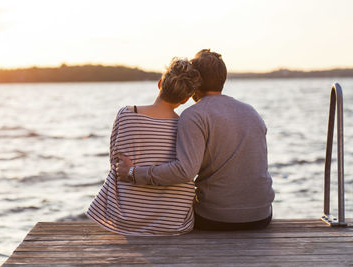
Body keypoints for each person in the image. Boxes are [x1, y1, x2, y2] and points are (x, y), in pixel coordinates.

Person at [117, 49, 275, 231]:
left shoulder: (194, 115)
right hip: (261, 215)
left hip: (216, 218)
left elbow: (185, 171)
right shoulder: (251, 111)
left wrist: (133, 173)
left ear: (195, 81)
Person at [86, 58, 202, 235]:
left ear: (160, 83)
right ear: (186, 99)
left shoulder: (127, 114)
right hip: (174, 222)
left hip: (125, 220)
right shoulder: (184, 126)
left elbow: (114, 162)